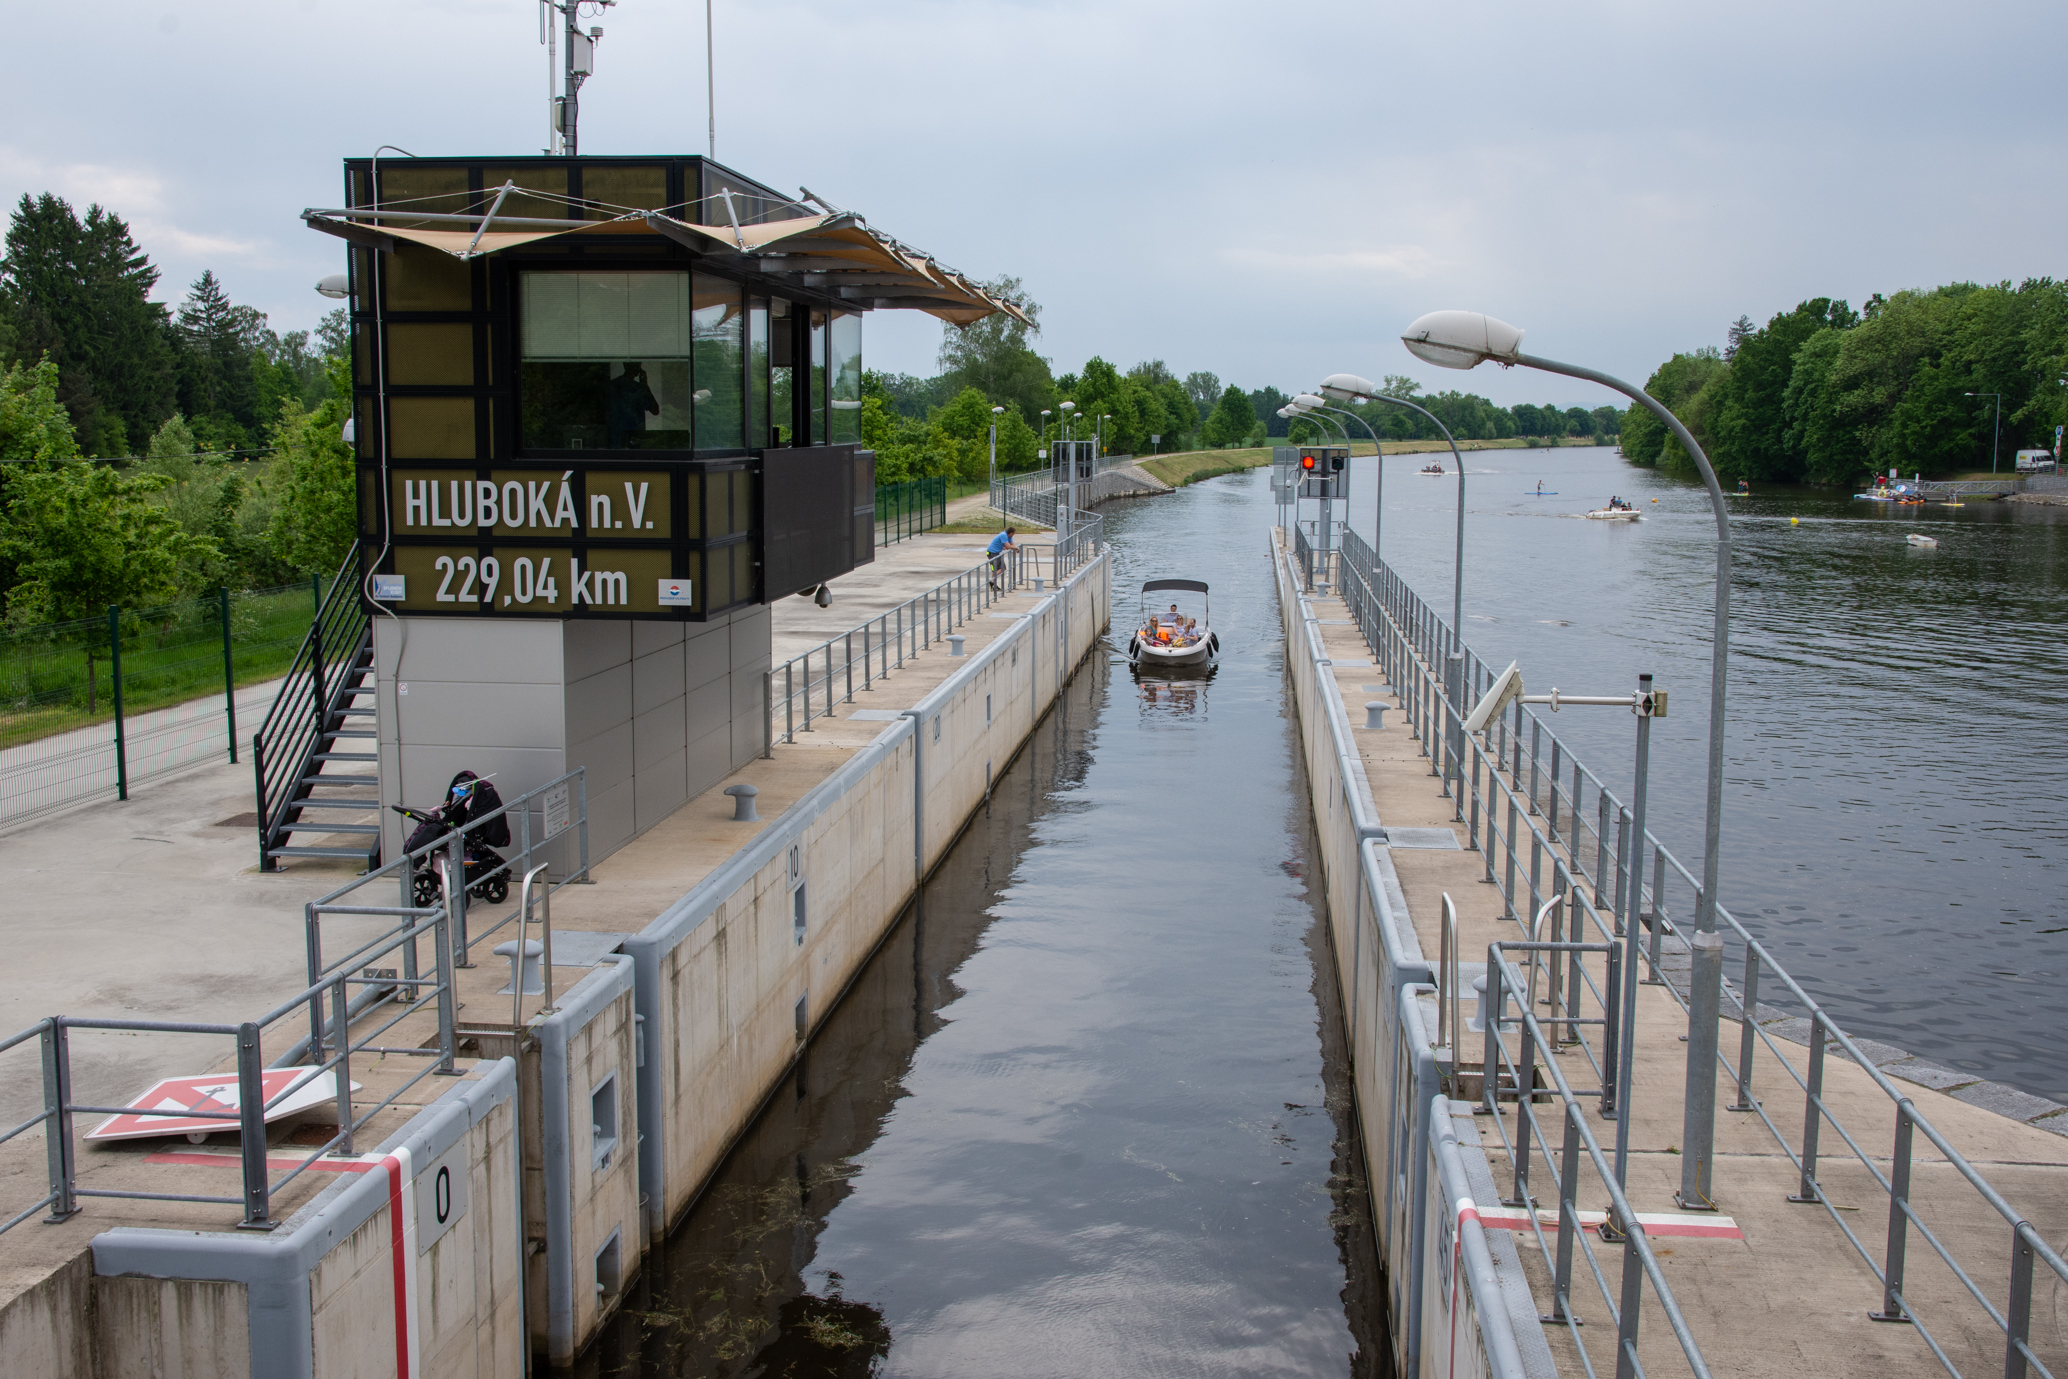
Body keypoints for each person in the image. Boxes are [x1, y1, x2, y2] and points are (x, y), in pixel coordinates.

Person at [607, 362, 660, 448]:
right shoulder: (637, 388)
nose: (639, 368)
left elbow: (655, 410)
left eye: (639, 365)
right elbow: (655, 410)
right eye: (636, 365)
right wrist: (645, 386)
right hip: (627, 436)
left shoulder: (613, 385)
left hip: (622, 437)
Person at [986, 526, 1017, 592]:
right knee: (1002, 568)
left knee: (998, 569)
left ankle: (993, 584)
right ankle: (991, 582)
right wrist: (1016, 548)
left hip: (997, 552)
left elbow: (1011, 545)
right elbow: (1008, 546)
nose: (1014, 535)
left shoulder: (1009, 537)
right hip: (992, 552)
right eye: (1014, 533)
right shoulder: (1003, 535)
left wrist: (1012, 547)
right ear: (1011, 533)